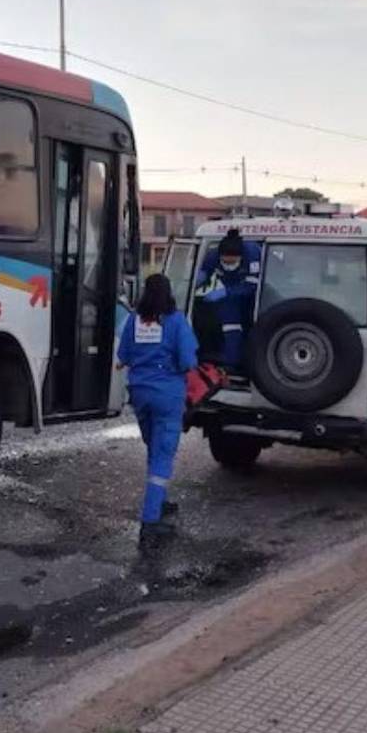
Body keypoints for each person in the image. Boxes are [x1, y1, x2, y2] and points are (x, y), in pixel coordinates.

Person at [117, 273, 199, 548]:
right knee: (163, 456)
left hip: (140, 393)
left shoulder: (134, 320)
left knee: (154, 448)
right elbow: (187, 360)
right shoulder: (176, 321)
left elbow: (123, 355)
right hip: (167, 395)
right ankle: (150, 521)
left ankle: (160, 500)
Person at [193, 228, 262, 369]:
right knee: (230, 326)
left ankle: (239, 362)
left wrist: (225, 292)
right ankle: (231, 363)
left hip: (253, 296)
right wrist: (197, 282)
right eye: (226, 262)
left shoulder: (252, 253)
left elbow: (252, 285)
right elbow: (203, 274)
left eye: (232, 262)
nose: (229, 266)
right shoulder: (213, 256)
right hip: (229, 299)